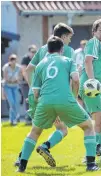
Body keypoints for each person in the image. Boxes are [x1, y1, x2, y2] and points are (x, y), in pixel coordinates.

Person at [16, 36, 99, 172]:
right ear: (62, 49)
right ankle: (91, 164)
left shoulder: (41, 64)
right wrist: (73, 98)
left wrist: (44, 108)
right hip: (66, 100)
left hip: (44, 101)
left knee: (34, 132)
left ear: (48, 49)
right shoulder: (68, 60)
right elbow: (76, 80)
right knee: (88, 126)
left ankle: (22, 166)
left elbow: (35, 91)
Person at [15, 23, 75, 167]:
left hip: (37, 96)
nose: (70, 41)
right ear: (64, 36)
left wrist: (34, 88)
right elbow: (69, 77)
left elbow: (28, 70)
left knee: (36, 129)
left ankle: (21, 160)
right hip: (55, 96)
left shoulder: (43, 49)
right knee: (63, 129)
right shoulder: (67, 51)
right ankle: (45, 146)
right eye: (69, 38)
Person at [78, 19, 101, 160]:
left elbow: (99, 67)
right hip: (91, 86)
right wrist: (92, 80)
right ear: (94, 31)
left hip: (98, 86)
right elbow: (88, 61)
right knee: (100, 121)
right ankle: (89, 156)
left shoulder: (98, 45)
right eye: (100, 30)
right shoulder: (93, 42)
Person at [2, 54, 23, 126]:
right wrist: (12, 80)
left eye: (14, 60)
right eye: (11, 60)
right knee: (12, 102)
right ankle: (13, 119)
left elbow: (20, 78)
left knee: (16, 103)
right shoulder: (5, 67)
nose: (13, 61)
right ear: (9, 61)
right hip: (7, 87)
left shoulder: (19, 68)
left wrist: (16, 80)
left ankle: (14, 117)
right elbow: (5, 78)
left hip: (15, 87)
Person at [21, 45, 37, 125]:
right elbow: (24, 72)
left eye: (35, 52)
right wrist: (30, 83)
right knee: (28, 100)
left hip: (35, 84)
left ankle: (35, 118)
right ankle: (28, 119)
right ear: (29, 52)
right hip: (26, 83)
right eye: (32, 52)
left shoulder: (37, 59)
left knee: (35, 100)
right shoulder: (25, 59)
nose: (33, 53)